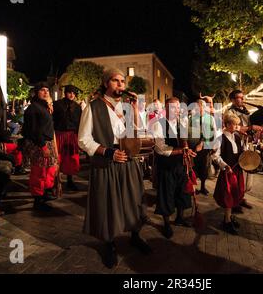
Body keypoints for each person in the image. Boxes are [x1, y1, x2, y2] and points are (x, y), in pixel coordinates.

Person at [78, 68, 152, 269]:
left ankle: (135, 236)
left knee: (134, 201)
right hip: (107, 163)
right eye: (116, 81)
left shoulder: (128, 107)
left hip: (129, 161)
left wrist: (136, 110)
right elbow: (83, 140)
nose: (121, 85)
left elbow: (137, 133)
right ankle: (109, 244)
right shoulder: (92, 107)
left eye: (122, 81)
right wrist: (108, 152)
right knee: (108, 205)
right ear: (105, 83)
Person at [152, 97, 198, 239]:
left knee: (182, 193)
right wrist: (181, 151)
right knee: (166, 194)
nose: (176, 110)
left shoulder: (180, 124)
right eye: (173, 107)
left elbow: (184, 141)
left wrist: (187, 149)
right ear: (166, 109)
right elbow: (160, 149)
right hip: (166, 166)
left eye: (178, 107)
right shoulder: (158, 124)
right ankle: (166, 224)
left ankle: (180, 218)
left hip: (181, 165)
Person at [22, 82, 58, 211]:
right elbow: (34, 130)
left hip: (47, 142)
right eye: (42, 90)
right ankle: (38, 199)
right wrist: (43, 146)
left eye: (47, 90)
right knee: (39, 172)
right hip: (39, 144)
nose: (46, 92)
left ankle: (45, 194)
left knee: (49, 170)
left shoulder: (43, 107)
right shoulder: (33, 108)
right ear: (37, 92)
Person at [212, 114, 245, 235]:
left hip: (237, 170)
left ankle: (229, 217)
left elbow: (242, 152)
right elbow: (215, 155)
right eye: (235, 124)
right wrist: (224, 166)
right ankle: (226, 221)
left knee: (235, 194)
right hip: (228, 171)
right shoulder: (220, 138)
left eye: (237, 124)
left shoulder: (237, 136)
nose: (237, 126)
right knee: (228, 196)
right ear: (228, 124)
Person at [52, 85, 82, 191]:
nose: (72, 95)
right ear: (65, 93)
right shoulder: (56, 105)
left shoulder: (78, 107)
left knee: (71, 158)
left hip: (72, 135)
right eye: (70, 92)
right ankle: (55, 180)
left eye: (74, 93)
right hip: (59, 134)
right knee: (57, 157)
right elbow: (52, 119)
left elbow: (79, 123)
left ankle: (70, 180)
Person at [188, 97, 216, 195]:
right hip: (193, 147)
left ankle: (203, 187)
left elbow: (213, 133)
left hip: (205, 147)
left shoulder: (210, 118)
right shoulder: (191, 118)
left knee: (204, 167)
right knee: (193, 167)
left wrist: (204, 143)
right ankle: (193, 187)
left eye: (199, 107)